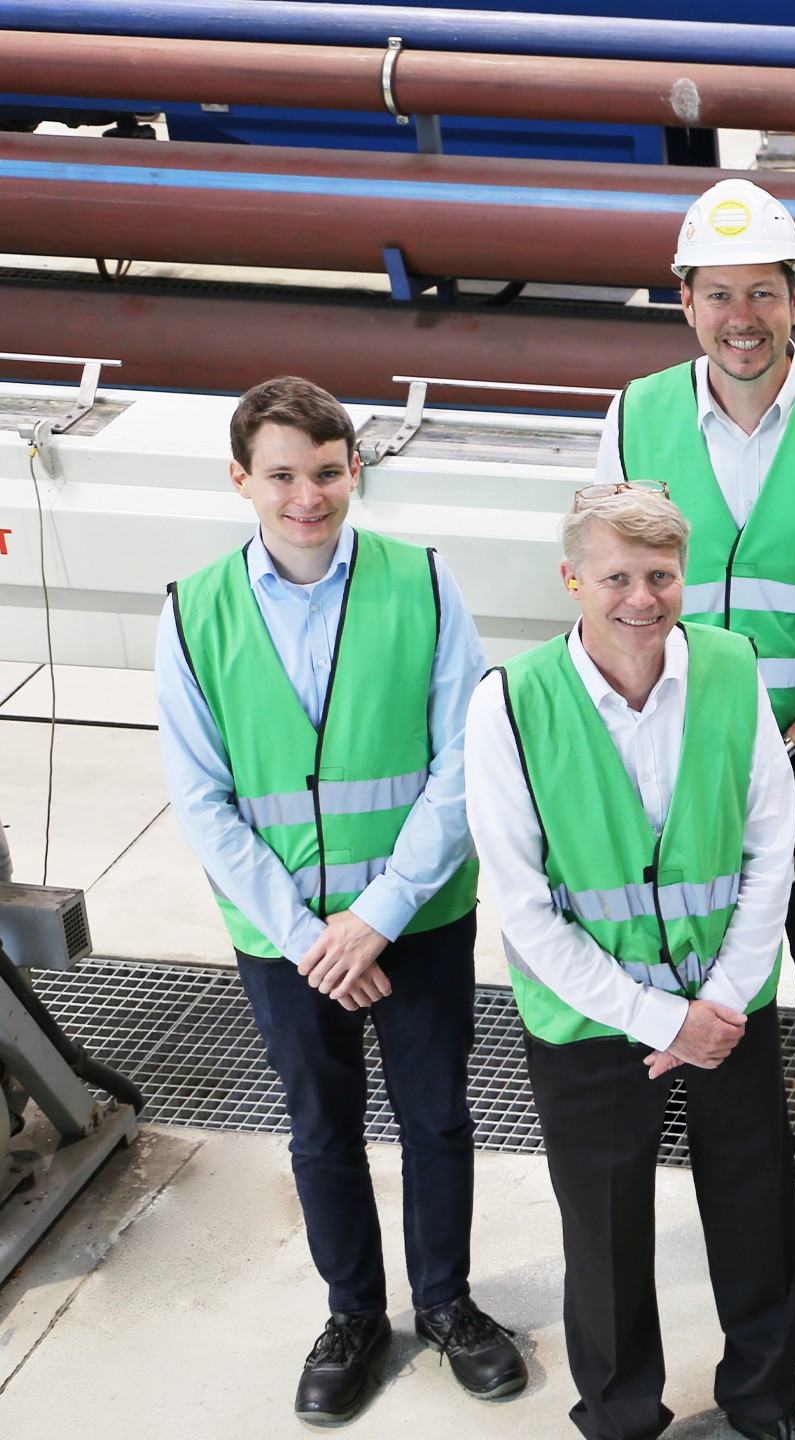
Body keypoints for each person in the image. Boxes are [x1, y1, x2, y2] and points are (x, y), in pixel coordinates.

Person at [157, 376, 526, 1422]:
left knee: (437, 1115)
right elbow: (201, 796)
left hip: (417, 918)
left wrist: (379, 915)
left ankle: (446, 1302)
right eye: (281, 476)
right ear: (241, 480)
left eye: (326, 472)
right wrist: (307, 935)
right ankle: (354, 1314)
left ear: (355, 470)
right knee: (321, 1126)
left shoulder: (424, 583)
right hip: (287, 940)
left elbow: (462, 760)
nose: (306, 497)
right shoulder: (193, 611)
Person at [464, 483, 795, 1440]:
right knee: (604, 1227)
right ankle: (621, 1414)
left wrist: (717, 1003)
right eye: (617, 578)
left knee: (756, 1210)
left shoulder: (731, 668)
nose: (642, 598)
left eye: (661, 576)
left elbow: (771, 848)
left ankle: (767, 1397)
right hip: (591, 1017)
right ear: (572, 580)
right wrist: (664, 1020)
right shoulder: (510, 704)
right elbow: (525, 907)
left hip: (727, 1004)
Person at [597, 177, 795, 1285]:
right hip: (680, 765)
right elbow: (609, 588)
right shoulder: (634, 415)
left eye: (763, 294)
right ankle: (738, 1164)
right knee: (704, 965)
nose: (742, 318)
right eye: (719, 294)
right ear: (685, 301)